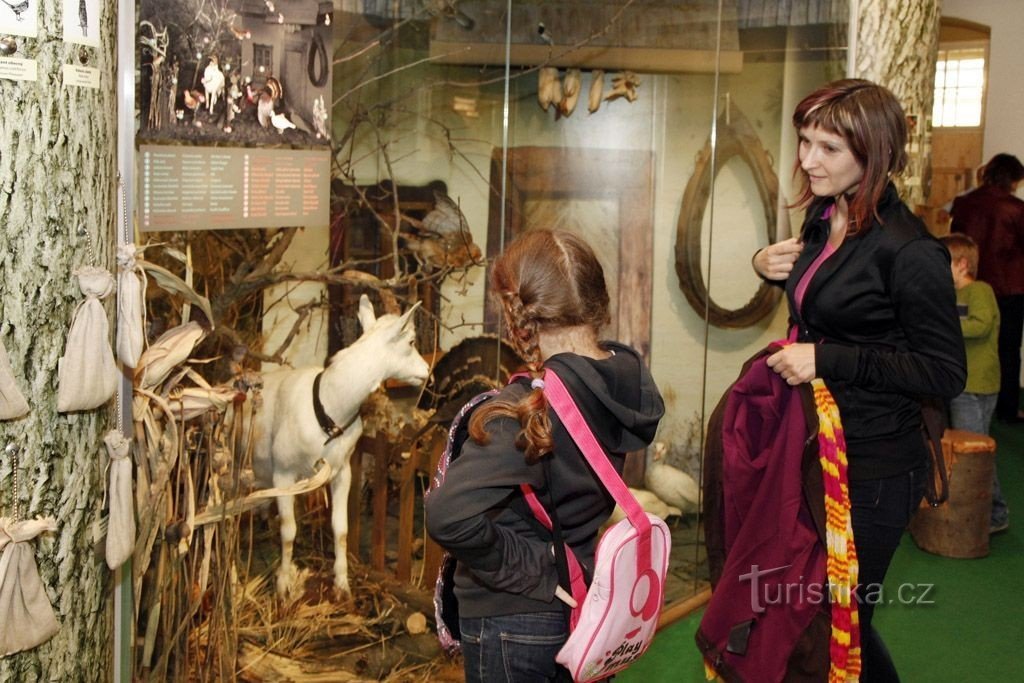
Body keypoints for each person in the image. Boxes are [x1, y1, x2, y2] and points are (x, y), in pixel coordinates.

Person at [752, 79, 966, 682]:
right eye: (804, 142)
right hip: (813, 448)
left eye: (828, 148)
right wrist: (766, 268)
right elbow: (835, 309)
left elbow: (945, 371)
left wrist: (827, 359)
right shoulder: (826, 216)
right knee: (814, 622)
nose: (807, 160)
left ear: (871, 155)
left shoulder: (909, 250)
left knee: (841, 624)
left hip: (873, 468)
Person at [425, 229, 664, 683]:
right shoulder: (624, 381)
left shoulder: (526, 411)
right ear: (597, 301)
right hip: (586, 605)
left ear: (516, 313)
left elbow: (446, 515)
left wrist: (536, 569)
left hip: (512, 619)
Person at [940, 233, 1009, 533]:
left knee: (976, 449)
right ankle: (983, 510)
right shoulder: (949, 295)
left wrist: (943, 324)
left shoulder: (980, 291)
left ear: (962, 264)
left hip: (977, 383)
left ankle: (996, 513)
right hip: (961, 383)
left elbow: (980, 326)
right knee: (971, 447)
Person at [950, 153, 1024, 422]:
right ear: (1014, 180)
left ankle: (960, 400)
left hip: (967, 283)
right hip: (1008, 288)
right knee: (1007, 350)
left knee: (964, 345)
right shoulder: (1016, 208)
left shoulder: (964, 202)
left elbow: (955, 240)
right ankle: (1006, 409)